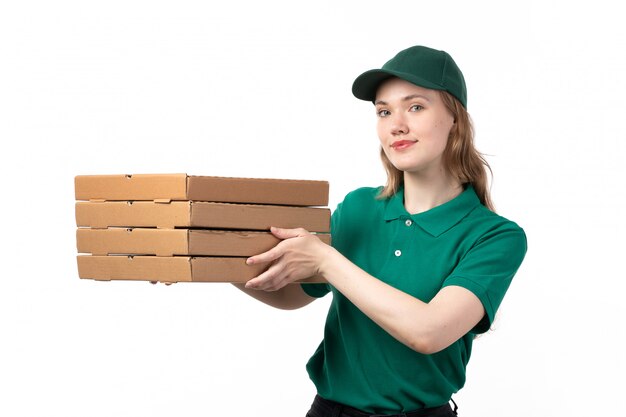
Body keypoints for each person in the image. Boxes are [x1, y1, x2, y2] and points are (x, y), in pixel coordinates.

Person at [235, 45, 527, 417]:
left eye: (415, 107)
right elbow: (293, 296)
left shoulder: (494, 237)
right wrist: (196, 260)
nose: (396, 124)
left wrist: (325, 259)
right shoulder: (358, 208)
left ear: (456, 117)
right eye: (384, 111)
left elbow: (428, 331)